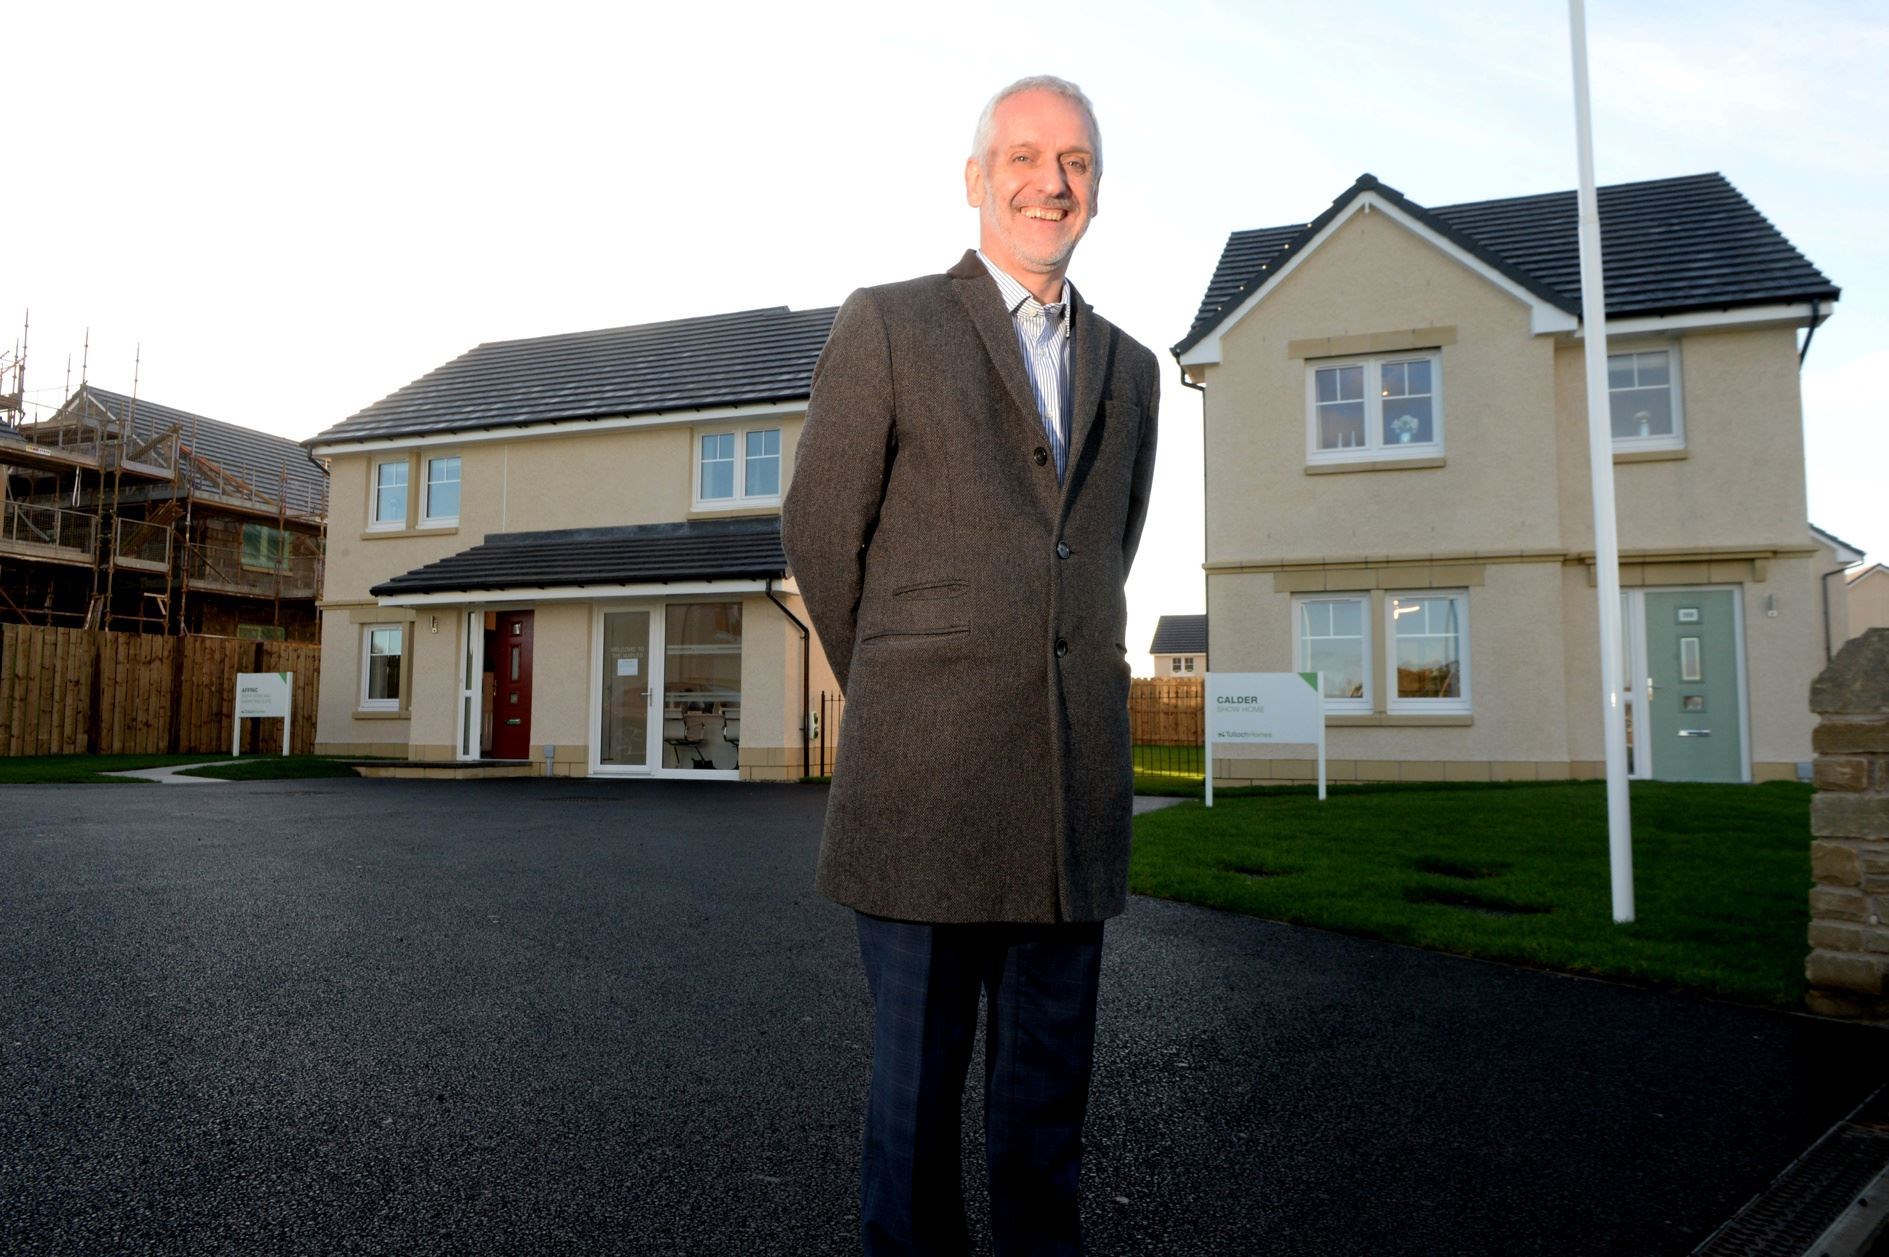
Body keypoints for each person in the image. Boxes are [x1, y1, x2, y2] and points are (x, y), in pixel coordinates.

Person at [782, 74, 1159, 1256]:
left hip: (1067, 798)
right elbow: (818, 534)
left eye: (1077, 163)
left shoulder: (1135, 371)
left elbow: (1101, 549)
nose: (1051, 183)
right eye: (1025, 157)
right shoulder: (888, 324)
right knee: (913, 1116)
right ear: (975, 179)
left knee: (1045, 1123)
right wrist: (905, 682)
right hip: (926, 793)